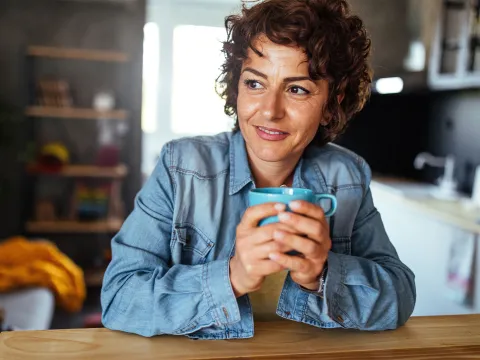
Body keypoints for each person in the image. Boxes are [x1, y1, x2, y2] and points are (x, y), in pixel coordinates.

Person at [101, 0, 416, 339]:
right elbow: (119, 299)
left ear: (331, 104)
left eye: (297, 89)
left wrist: (323, 274)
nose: (270, 110)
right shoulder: (181, 168)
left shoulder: (347, 177)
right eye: (255, 83)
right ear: (236, 86)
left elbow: (399, 297)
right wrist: (232, 277)